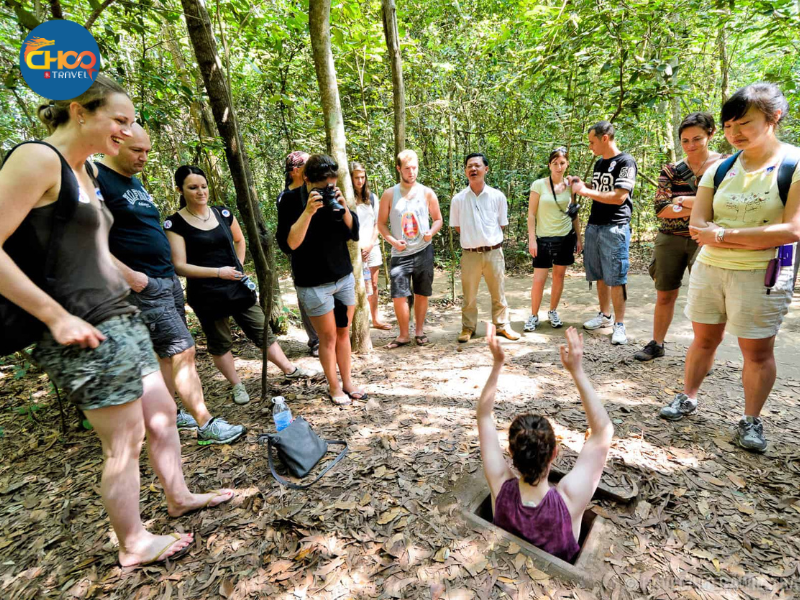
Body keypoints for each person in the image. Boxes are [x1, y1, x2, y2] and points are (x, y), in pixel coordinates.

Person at [0, 75, 232, 567]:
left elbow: (93, 249)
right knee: (124, 438)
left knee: (163, 415)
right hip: (78, 324)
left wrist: (133, 280)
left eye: (131, 123)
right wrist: (54, 316)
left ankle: (178, 496)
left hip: (120, 314)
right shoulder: (37, 158)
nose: (127, 133)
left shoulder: (86, 174)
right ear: (80, 112)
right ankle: (132, 543)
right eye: (120, 120)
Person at [659, 83, 800, 453]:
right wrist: (742, 236)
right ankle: (688, 396)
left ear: (774, 118)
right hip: (711, 269)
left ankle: (751, 419)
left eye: (744, 123)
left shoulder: (793, 164)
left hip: (764, 272)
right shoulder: (720, 169)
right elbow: (697, 227)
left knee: (756, 351)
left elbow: (791, 230)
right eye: (727, 126)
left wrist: (721, 234)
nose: (734, 133)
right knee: (704, 339)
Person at [98, 124, 246, 445]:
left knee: (166, 355)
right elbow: (87, 239)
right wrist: (130, 277)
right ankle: (206, 424)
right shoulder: (97, 178)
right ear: (113, 143)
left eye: (147, 151)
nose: (144, 157)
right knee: (184, 350)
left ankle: (172, 411)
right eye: (137, 150)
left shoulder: (132, 181)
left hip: (165, 280)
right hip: (142, 285)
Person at [164, 165, 313, 406]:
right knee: (220, 341)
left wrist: (238, 266)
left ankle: (289, 368)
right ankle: (237, 385)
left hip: (236, 285)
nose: (200, 192)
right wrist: (218, 273)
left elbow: (239, 239)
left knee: (260, 328)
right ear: (180, 189)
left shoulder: (222, 213)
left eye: (203, 186)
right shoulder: (175, 224)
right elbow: (179, 265)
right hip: (206, 293)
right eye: (193, 187)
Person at [477, 324, 613, 562]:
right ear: (554, 453)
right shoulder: (569, 499)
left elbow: (484, 417)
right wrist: (576, 371)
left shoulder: (499, 487)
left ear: (511, 453)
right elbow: (603, 431)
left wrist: (497, 364)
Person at [276, 154, 367, 405]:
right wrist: (308, 212)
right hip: (314, 284)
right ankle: (334, 386)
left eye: (331, 184)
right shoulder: (290, 201)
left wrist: (344, 206)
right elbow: (290, 244)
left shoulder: (334, 195)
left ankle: (348, 382)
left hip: (342, 277)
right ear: (306, 179)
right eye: (321, 186)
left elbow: (354, 233)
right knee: (327, 339)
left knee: (343, 333)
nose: (327, 189)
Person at [634, 114, 724, 361]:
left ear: (711, 134)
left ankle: (704, 353)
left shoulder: (726, 166)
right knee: (665, 293)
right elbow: (661, 209)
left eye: (697, 139)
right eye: (685, 140)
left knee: (705, 299)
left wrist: (681, 200)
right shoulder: (671, 170)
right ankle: (657, 344)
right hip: (670, 239)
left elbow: (724, 204)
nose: (691, 145)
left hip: (705, 240)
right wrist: (703, 205)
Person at [570, 121, 638, 345]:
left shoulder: (625, 162)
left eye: (592, 142)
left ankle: (619, 324)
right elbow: (601, 189)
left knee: (616, 277)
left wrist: (585, 192)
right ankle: (604, 316)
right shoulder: (600, 163)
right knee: (598, 274)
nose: (590, 146)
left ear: (605, 138)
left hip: (615, 226)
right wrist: (582, 183)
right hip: (595, 225)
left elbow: (619, 196)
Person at [450, 153, 520, 342]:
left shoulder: (497, 196)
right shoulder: (458, 199)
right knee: (469, 295)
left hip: (494, 252)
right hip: (470, 254)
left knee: (498, 292)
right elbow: (458, 227)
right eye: (469, 166)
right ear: (465, 171)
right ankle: (468, 328)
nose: (473, 169)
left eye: (477, 166)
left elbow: (502, 224)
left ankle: (502, 326)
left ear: (486, 169)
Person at [377, 149, 443, 348]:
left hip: (423, 250)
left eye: (414, 168)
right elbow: (381, 224)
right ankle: (403, 334)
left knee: (422, 292)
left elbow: (438, 219)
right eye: (407, 168)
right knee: (400, 295)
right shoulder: (389, 194)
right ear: (399, 169)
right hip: (400, 253)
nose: (411, 172)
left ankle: (420, 331)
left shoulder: (427, 192)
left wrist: (431, 232)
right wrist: (392, 241)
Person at [525, 147, 583, 332]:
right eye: (555, 163)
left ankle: (553, 311)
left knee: (559, 276)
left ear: (567, 164)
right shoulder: (539, 185)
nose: (559, 167)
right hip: (543, 239)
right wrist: (532, 239)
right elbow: (531, 215)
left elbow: (574, 214)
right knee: (538, 279)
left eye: (562, 163)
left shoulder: (570, 185)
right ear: (549, 165)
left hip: (565, 238)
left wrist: (579, 238)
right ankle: (534, 315)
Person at [279, 151, 320, 356]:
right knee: (306, 299)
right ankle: (315, 340)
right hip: (301, 257)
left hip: (323, 254)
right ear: (296, 171)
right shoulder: (285, 198)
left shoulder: (316, 189)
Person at [351, 161, 391, 330]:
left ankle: (375, 319)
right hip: (352, 249)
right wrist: (358, 247)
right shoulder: (347, 198)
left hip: (371, 247)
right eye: (356, 178)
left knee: (373, 285)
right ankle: (356, 322)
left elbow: (378, 223)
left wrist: (369, 245)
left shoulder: (372, 198)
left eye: (362, 177)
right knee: (352, 286)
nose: (360, 181)